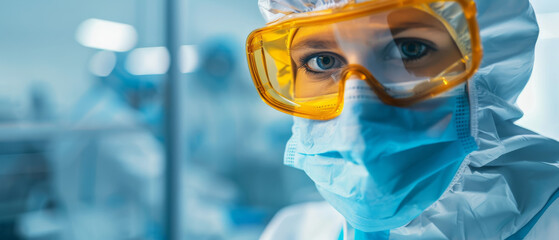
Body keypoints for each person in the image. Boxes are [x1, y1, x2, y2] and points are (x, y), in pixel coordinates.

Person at [245, 0, 559, 239]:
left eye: (410, 50)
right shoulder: (293, 231)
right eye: (322, 61)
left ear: (484, 68)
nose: (358, 118)